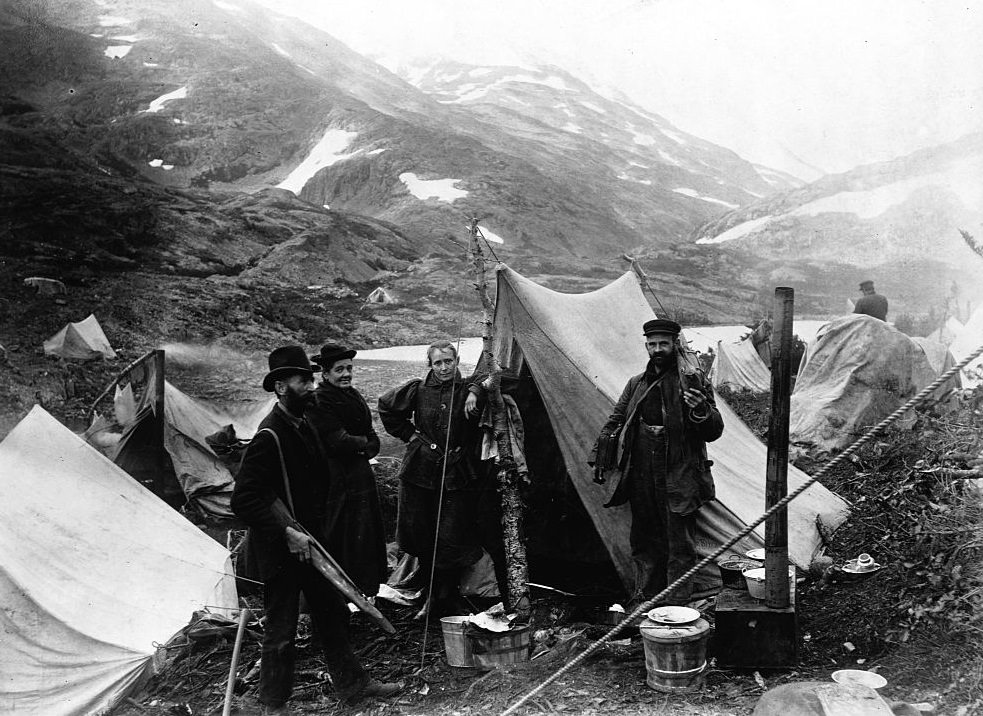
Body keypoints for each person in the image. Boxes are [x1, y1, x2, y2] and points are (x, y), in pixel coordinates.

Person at [231, 345, 398, 714]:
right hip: (282, 551)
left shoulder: (304, 426)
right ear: (279, 387)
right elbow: (244, 500)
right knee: (282, 629)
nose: (310, 385)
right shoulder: (268, 436)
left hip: (313, 545)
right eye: (301, 380)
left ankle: (354, 685)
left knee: (332, 614)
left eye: (310, 378)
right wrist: (286, 533)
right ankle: (273, 704)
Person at [590, 319, 724, 607]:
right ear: (646, 346)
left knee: (680, 542)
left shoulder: (694, 382)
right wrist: (600, 455)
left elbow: (714, 430)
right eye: (652, 344)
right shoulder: (636, 383)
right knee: (645, 537)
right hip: (641, 470)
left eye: (663, 343)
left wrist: (700, 408)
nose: (657, 349)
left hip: (679, 471)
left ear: (675, 344)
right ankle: (648, 600)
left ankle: (677, 605)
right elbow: (616, 419)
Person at [378, 340, 495, 617]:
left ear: (457, 361)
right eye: (438, 362)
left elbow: (500, 375)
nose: (444, 367)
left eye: (449, 361)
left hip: (456, 474)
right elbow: (386, 407)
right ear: (429, 365)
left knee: (452, 537)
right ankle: (431, 597)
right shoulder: (418, 389)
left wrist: (475, 390)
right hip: (420, 473)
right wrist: (410, 436)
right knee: (422, 534)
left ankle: (447, 597)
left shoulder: (467, 388)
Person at [306, 343, 387, 598]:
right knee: (343, 534)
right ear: (325, 373)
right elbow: (338, 441)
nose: (346, 374)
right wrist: (364, 443)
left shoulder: (353, 395)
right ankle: (340, 595)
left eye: (349, 368)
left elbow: (372, 438)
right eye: (339, 369)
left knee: (364, 533)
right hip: (337, 480)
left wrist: (363, 444)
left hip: (360, 475)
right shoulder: (320, 400)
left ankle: (364, 591)